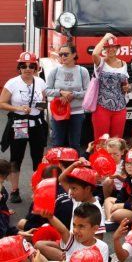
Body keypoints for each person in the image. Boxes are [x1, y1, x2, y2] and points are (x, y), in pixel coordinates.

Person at [0, 52, 47, 203]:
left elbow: (44, 100)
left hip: (37, 125)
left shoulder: (40, 82)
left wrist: (41, 107)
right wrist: (18, 108)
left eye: (31, 66)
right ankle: (15, 190)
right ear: (19, 67)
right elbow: (1, 103)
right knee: (16, 158)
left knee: (38, 158)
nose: (27, 69)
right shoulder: (12, 83)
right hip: (19, 124)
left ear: (35, 67)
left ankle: (38, 188)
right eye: (24, 66)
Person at [45, 43, 90, 153]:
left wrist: (72, 94)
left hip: (77, 112)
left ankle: (75, 169)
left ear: (74, 54)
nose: (63, 57)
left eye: (66, 54)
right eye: (60, 55)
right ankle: (56, 169)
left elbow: (88, 92)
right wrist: (60, 93)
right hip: (59, 112)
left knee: (75, 144)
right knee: (57, 144)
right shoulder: (54, 72)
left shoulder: (82, 71)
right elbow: (46, 91)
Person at [38, 203, 109, 262]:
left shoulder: (102, 247)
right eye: (74, 225)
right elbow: (63, 230)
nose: (75, 230)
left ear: (95, 229)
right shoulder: (72, 240)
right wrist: (50, 217)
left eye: (81, 226)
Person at [91, 34, 129, 139]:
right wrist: (104, 38)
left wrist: (127, 87)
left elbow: (125, 82)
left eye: (113, 47)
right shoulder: (100, 62)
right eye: (107, 47)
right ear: (104, 48)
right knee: (101, 141)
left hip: (120, 108)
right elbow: (94, 54)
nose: (110, 49)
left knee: (116, 142)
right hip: (102, 107)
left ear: (117, 48)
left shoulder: (123, 64)